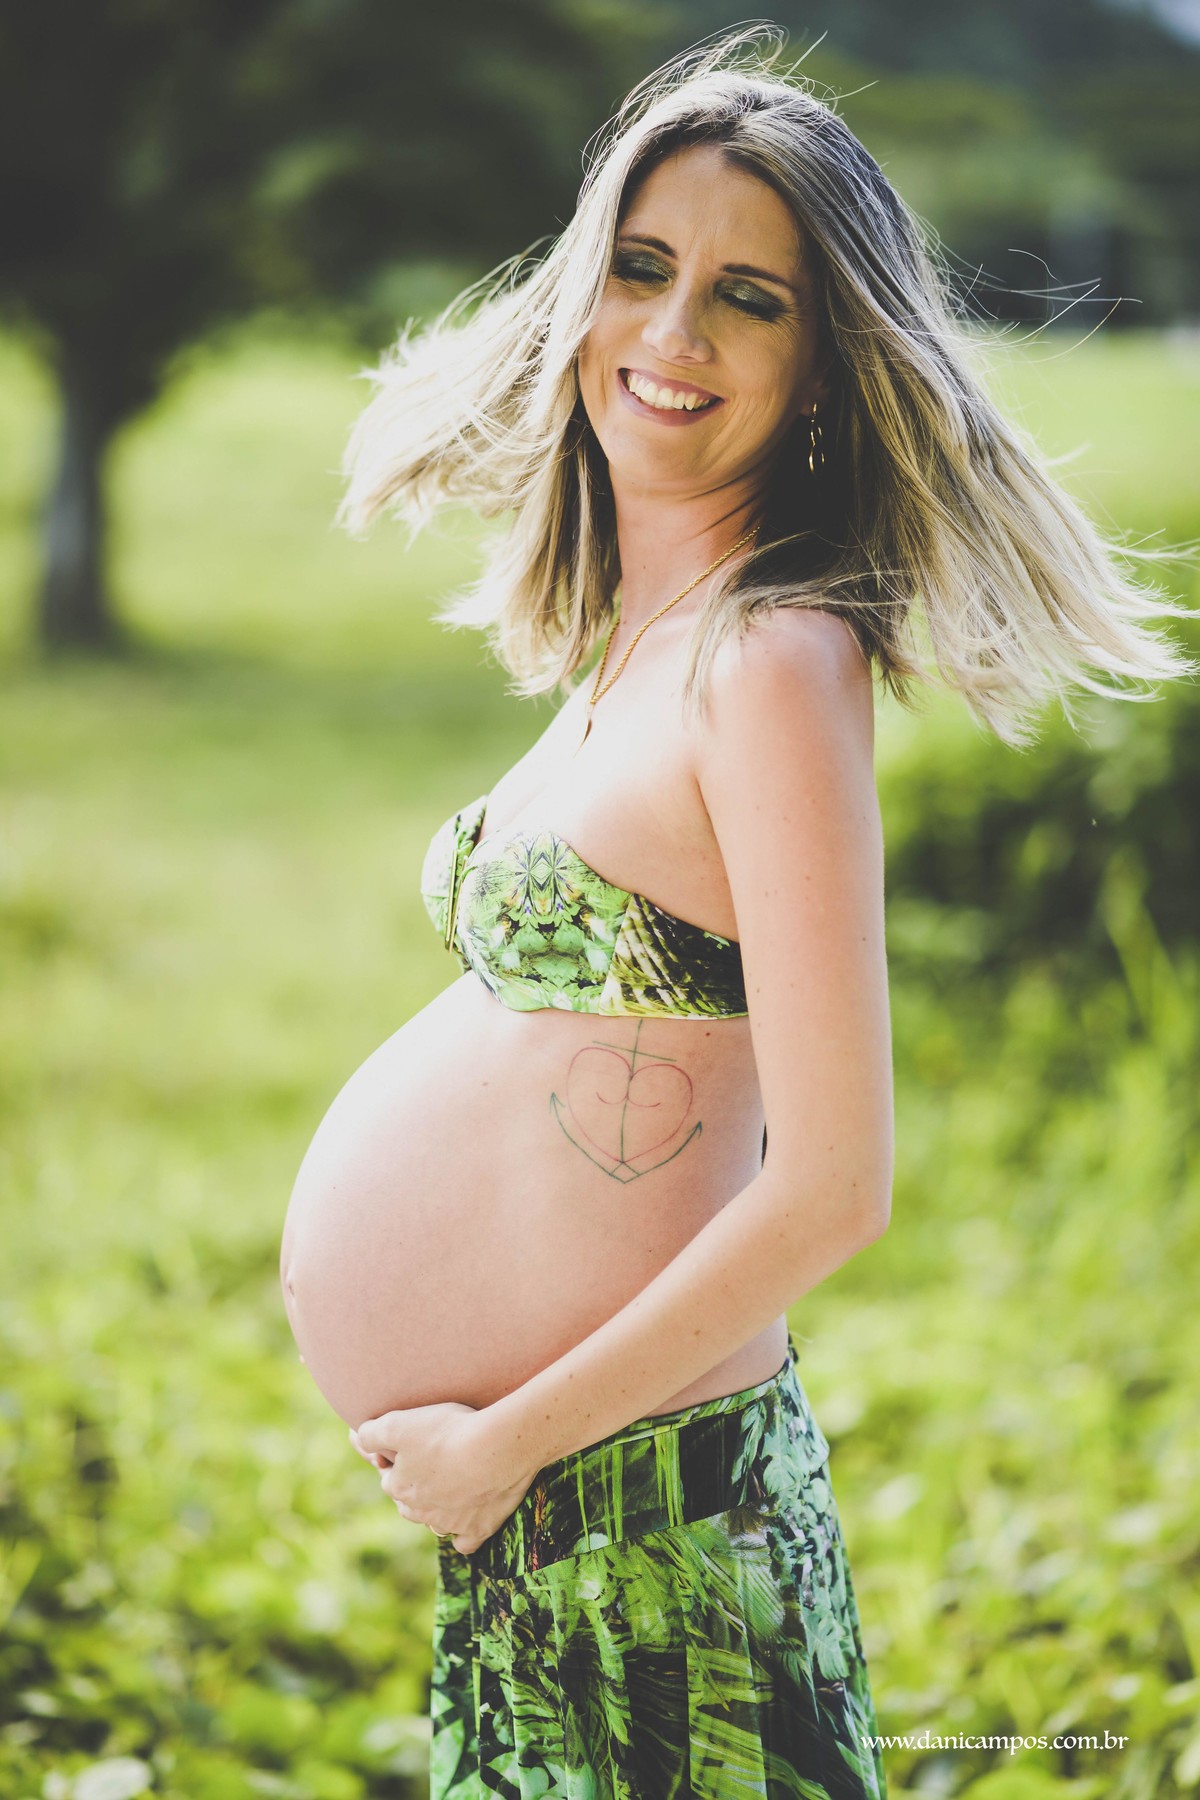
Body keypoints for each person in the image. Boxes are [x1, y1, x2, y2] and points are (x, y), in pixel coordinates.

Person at [279, 32, 1195, 1800]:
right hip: (557, 1522)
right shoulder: (644, 639)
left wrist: (506, 1442)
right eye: (643, 267)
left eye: (748, 298)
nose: (675, 331)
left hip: (658, 1527)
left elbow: (838, 1185)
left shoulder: (776, 660)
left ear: (827, 360)